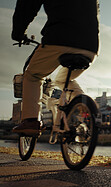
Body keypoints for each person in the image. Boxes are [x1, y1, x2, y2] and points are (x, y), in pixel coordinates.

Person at [12, 0, 100, 136]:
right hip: (90, 46)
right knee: (62, 80)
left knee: (33, 76)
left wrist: (18, 32)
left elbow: (26, 6)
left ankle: (30, 121)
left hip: (58, 39)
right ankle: (82, 102)